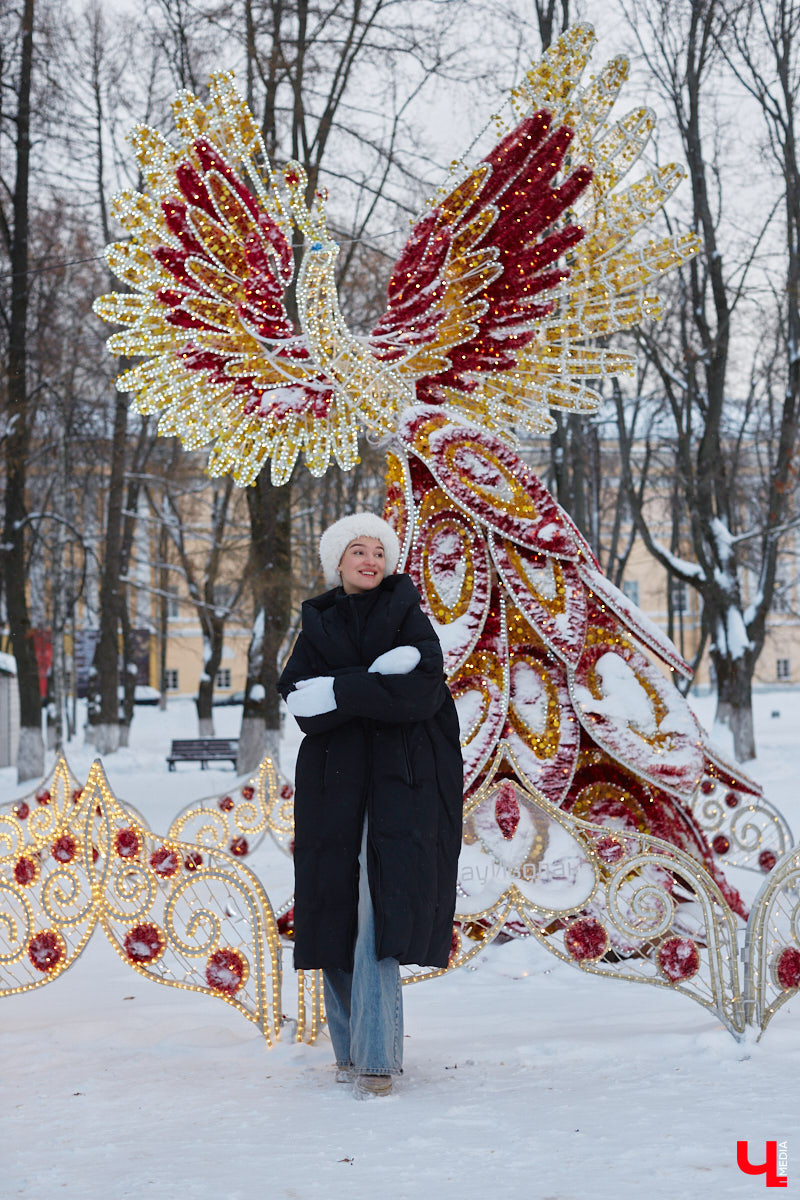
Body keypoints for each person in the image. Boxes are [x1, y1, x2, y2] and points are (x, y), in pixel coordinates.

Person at [277, 512, 463, 1098]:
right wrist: (371, 685)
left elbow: (422, 692)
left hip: (396, 792)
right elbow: (301, 704)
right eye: (357, 550)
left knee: (375, 918)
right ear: (338, 562)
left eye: (378, 551)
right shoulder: (319, 621)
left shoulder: (406, 613)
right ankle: (349, 1052)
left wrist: (341, 687)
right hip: (333, 791)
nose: (369, 560)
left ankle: (377, 1060)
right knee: (335, 917)